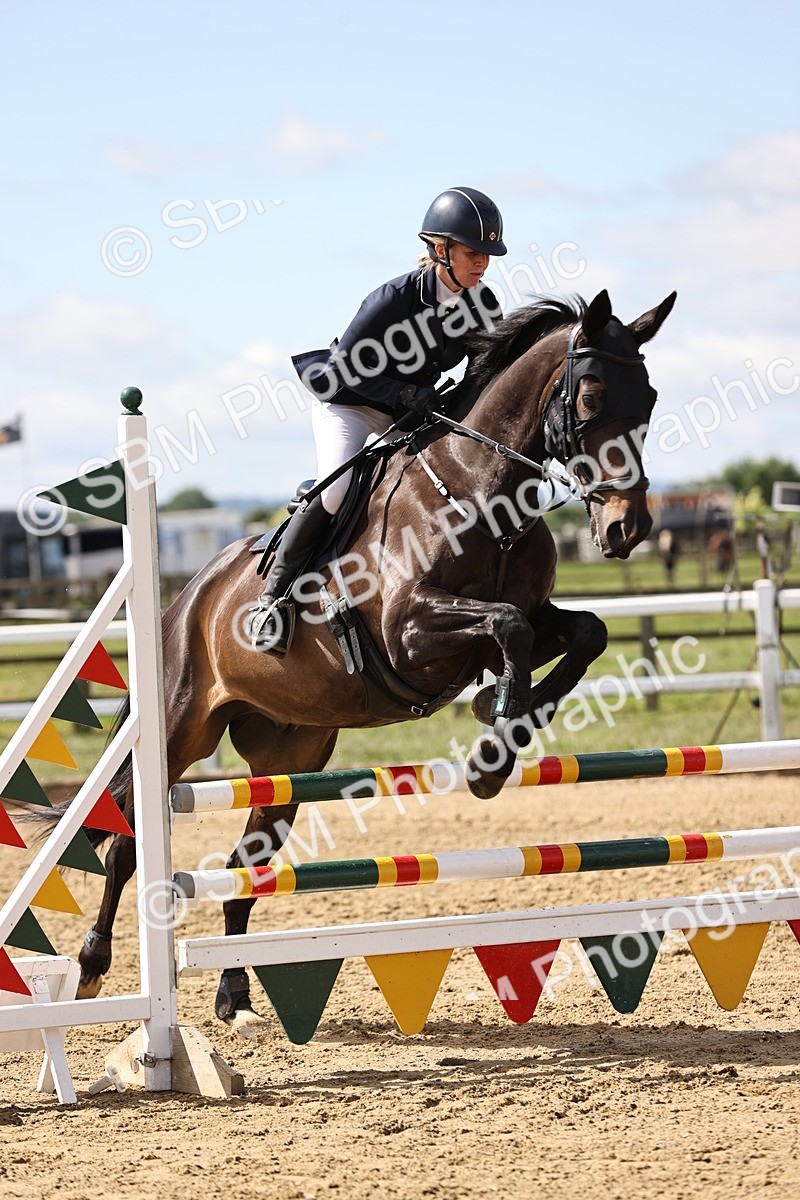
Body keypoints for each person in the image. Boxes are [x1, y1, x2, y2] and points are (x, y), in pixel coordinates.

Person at [247, 186, 507, 655]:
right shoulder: (392, 298)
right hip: (348, 402)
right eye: (473, 252)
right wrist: (406, 392)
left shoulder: (482, 306)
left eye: (488, 255)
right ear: (441, 249)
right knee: (336, 491)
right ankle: (272, 600)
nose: (483, 263)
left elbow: (484, 372)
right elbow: (346, 367)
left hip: (406, 414)